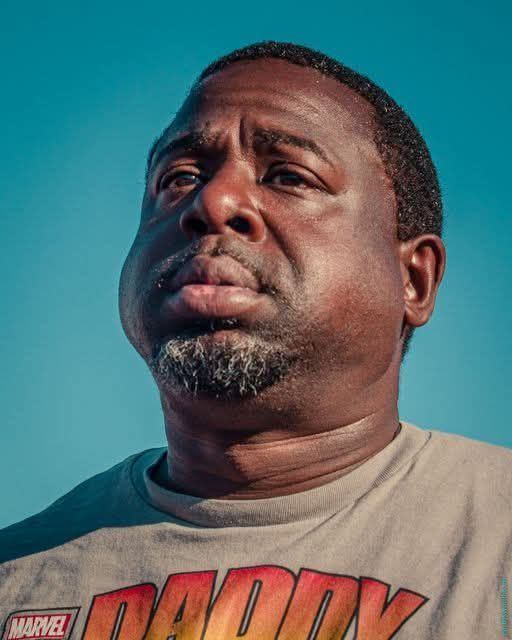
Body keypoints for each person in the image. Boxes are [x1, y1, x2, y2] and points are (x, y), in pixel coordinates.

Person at [0, 40, 510, 640]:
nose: (212, 202)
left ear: (413, 280)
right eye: (179, 178)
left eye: (289, 176)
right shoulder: (19, 578)